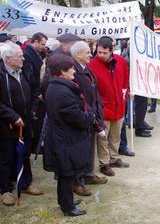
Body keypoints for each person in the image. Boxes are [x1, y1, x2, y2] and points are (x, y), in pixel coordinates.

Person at [43, 53, 95, 216]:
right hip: (64, 140)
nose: (73, 71)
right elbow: (76, 117)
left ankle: (66, 200)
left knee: (66, 173)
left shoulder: (57, 86)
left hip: (62, 136)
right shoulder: (62, 92)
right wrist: (90, 117)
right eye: (71, 68)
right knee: (66, 173)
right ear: (62, 71)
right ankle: (67, 207)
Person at [0, 42, 43, 207]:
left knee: (25, 154)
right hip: (7, 125)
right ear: (8, 58)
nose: (23, 58)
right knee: (6, 157)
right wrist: (12, 116)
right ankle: (5, 190)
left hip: (26, 122)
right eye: (19, 56)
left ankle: (26, 183)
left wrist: (32, 110)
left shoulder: (24, 70)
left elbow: (33, 91)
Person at [70, 41, 108, 195]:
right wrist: (90, 115)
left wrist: (98, 114)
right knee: (80, 151)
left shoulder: (87, 68)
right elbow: (80, 97)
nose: (90, 54)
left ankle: (88, 174)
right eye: (87, 52)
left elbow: (94, 92)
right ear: (78, 54)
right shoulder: (73, 71)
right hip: (83, 117)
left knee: (89, 149)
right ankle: (78, 181)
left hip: (92, 115)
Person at [89, 36, 130, 177]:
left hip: (119, 105)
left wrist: (126, 91)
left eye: (104, 52)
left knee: (115, 136)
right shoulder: (92, 65)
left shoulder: (121, 61)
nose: (101, 55)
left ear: (111, 51)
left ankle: (113, 157)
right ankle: (104, 163)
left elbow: (125, 78)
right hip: (103, 108)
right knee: (102, 138)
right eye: (99, 52)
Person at [22, 32, 48, 153]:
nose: (43, 47)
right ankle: (30, 147)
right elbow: (30, 76)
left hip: (34, 92)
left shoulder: (34, 53)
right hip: (32, 93)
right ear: (35, 41)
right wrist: (37, 92)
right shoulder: (27, 54)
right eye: (42, 44)